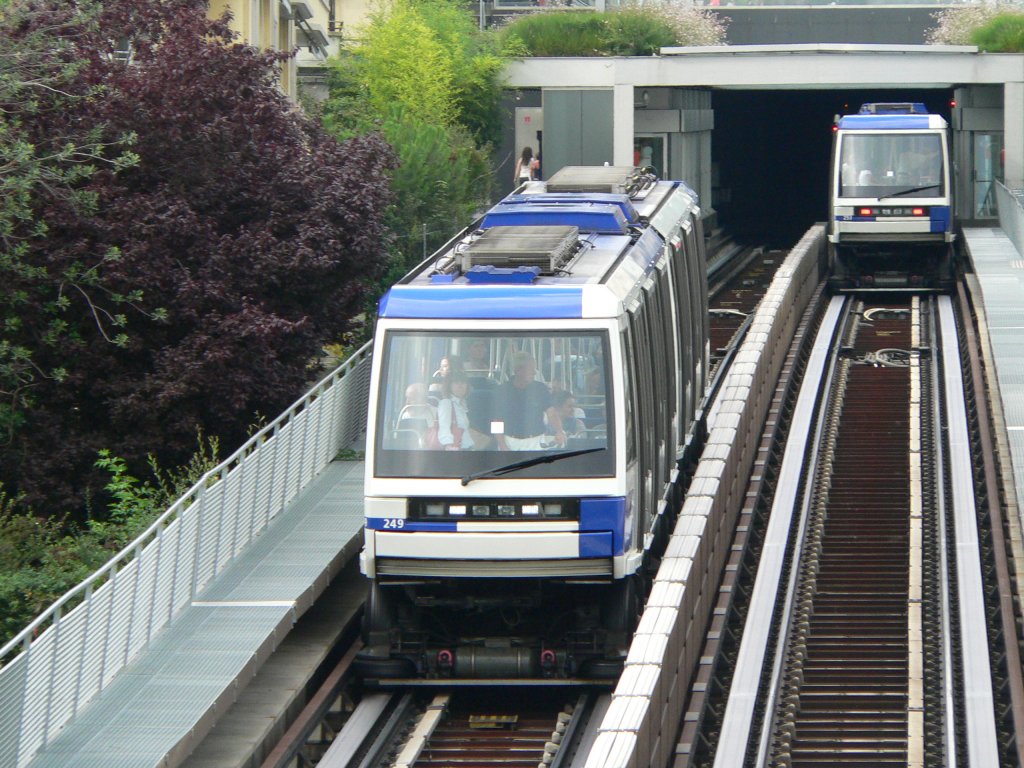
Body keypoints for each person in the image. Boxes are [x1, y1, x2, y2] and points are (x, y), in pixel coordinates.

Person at [497, 351, 565, 450]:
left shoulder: (540, 388)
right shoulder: (502, 390)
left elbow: (551, 413)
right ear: (518, 370)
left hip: (535, 442)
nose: (534, 372)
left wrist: (559, 431)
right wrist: (502, 444)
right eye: (531, 369)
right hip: (509, 442)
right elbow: (496, 421)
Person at [436, 372, 475, 450]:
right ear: (449, 386)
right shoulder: (446, 403)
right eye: (456, 383)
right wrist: (448, 446)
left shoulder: (463, 404)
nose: (460, 386)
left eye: (463, 383)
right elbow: (444, 427)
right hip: (456, 449)